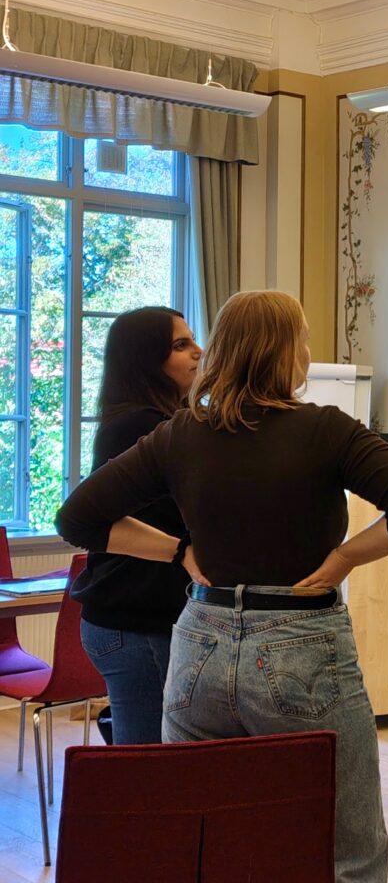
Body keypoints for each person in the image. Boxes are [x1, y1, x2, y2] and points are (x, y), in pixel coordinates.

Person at [56, 289, 388, 883]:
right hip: (300, 644)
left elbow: (77, 519)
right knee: (346, 851)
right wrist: (345, 558)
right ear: (289, 351)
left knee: (203, 839)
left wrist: (178, 552)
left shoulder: (181, 433)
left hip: (199, 646)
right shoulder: (326, 430)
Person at [71, 306, 202, 744]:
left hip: (140, 618)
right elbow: (94, 518)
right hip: (137, 621)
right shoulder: (139, 426)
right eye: (181, 345)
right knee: (148, 764)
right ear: (147, 360)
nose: (198, 351)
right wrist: (182, 551)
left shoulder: (158, 421)